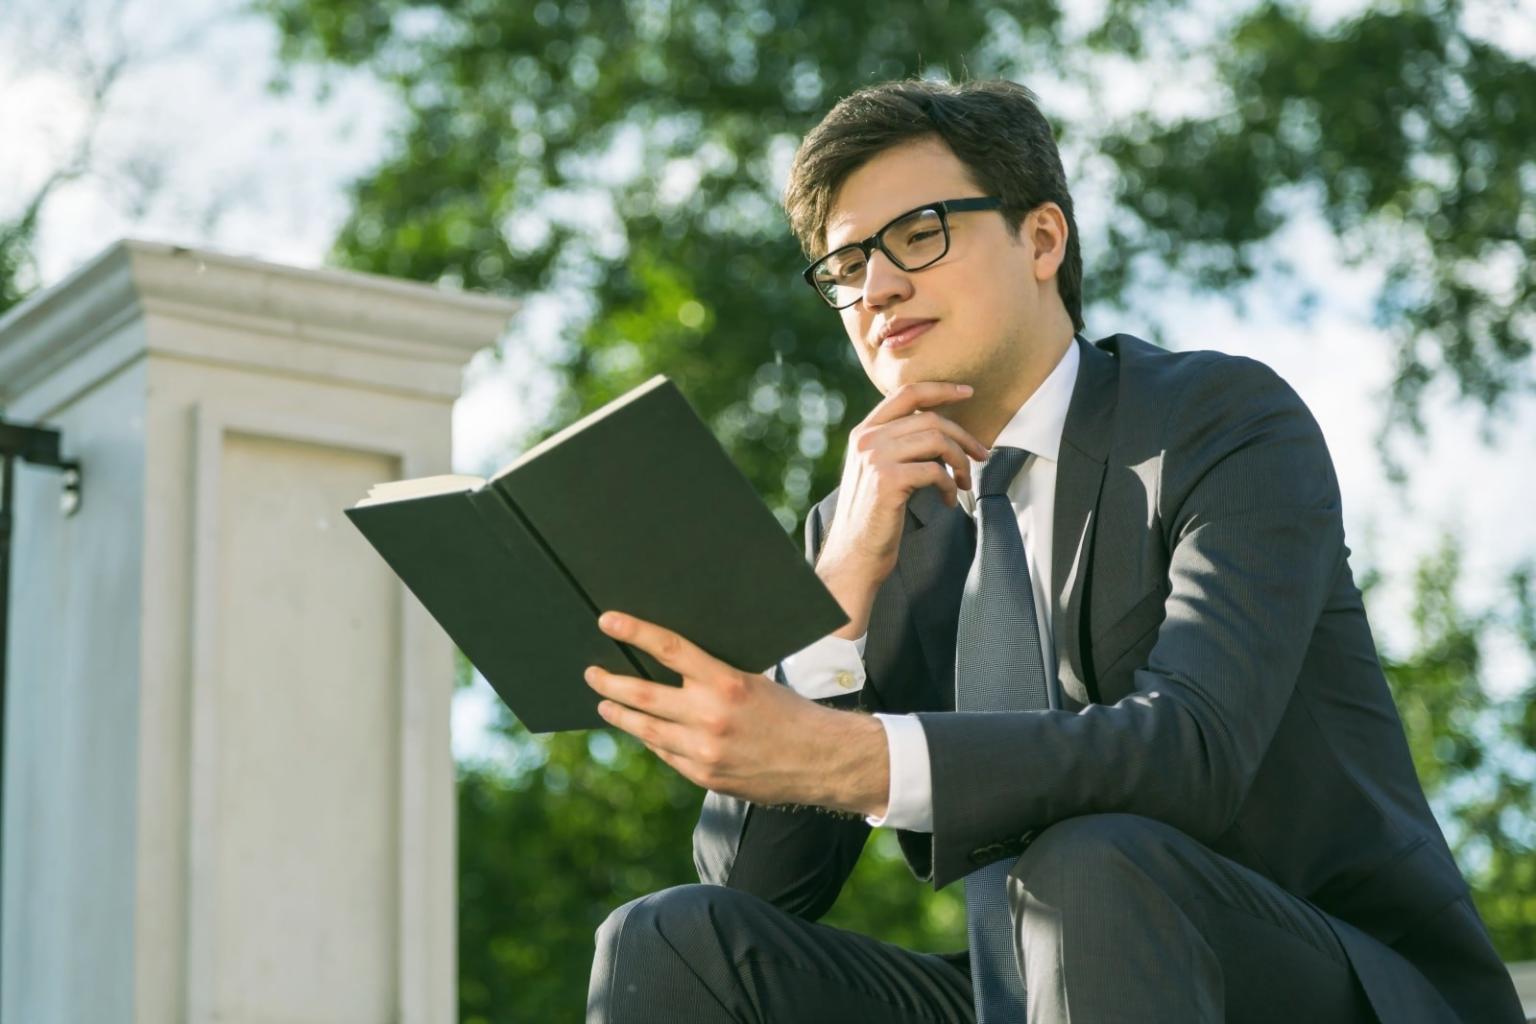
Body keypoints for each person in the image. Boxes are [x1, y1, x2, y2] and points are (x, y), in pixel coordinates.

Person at [581, 78, 1525, 1023]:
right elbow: (755, 893)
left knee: (1089, 866)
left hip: (1317, 983)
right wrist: (830, 616)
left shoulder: (1220, 423)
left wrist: (854, 757)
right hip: (1031, 986)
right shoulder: (862, 524)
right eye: (845, 266)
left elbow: (1190, 751)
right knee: (667, 941)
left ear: (1042, 239)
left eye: (918, 234)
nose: (877, 288)